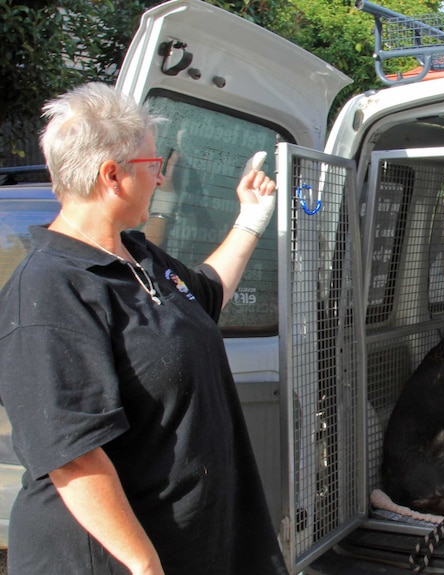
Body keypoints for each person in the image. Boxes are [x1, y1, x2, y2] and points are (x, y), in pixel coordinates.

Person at [0, 82, 286, 574]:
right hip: (109, 559)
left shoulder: (137, 255)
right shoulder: (50, 289)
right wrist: (142, 563)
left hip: (191, 543)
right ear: (112, 175)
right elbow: (73, 455)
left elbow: (205, 294)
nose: (159, 180)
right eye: (153, 167)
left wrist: (251, 221)